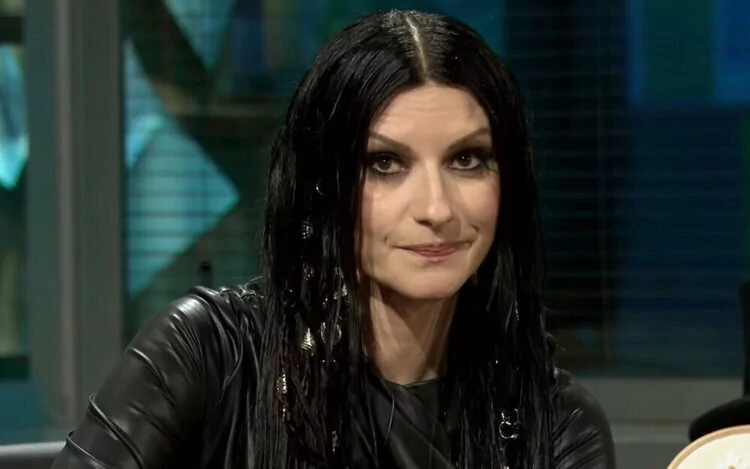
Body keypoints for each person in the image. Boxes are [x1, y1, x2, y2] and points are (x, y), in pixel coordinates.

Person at [52, 9, 615, 469]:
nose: (437, 209)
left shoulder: (556, 426)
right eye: (385, 163)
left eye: (466, 160)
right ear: (322, 186)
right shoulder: (204, 356)